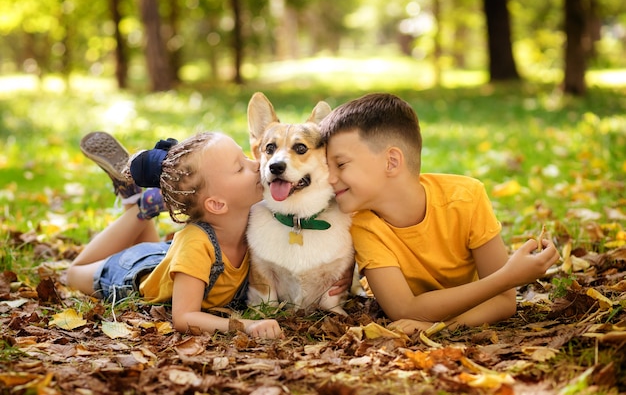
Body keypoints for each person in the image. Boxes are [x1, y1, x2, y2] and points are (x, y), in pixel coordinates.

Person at [319, 93, 560, 335]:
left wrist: (438, 327)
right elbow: (404, 309)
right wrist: (507, 277)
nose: (329, 178)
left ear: (391, 162)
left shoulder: (466, 198)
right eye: (326, 167)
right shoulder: (362, 224)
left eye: (340, 164)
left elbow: (504, 302)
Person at [66, 131, 284, 338]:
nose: (257, 165)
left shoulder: (258, 220)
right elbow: (184, 317)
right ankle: (141, 208)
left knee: (164, 262)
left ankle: (136, 199)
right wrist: (247, 326)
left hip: (171, 262)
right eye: (240, 168)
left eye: (247, 157)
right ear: (217, 204)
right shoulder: (195, 245)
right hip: (134, 271)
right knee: (73, 275)